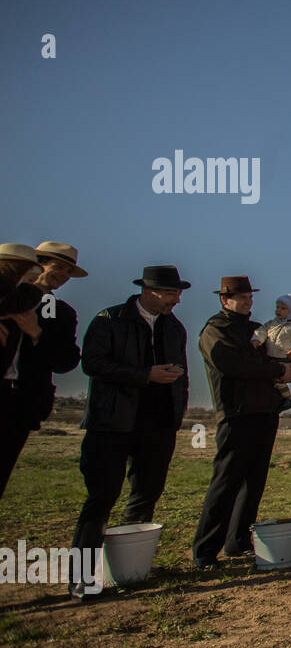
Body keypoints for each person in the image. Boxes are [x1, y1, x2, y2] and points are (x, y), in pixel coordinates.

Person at [69, 265, 190, 599]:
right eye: (170, 293)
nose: (176, 300)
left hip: (156, 425)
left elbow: (181, 374)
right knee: (101, 498)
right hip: (111, 423)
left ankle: (128, 569)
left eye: (178, 293)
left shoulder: (173, 327)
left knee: (145, 493)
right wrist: (144, 375)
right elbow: (92, 363)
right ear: (147, 291)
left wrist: (175, 416)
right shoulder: (109, 319)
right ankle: (81, 578)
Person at [192, 276, 291, 567]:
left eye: (250, 298)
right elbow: (232, 364)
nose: (248, 303)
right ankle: (205, 549)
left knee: (254, 481)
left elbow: (282, 358)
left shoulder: (257, 329)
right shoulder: (215, 330)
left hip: (265, 410)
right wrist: (275, 368)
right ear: (225, 300)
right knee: (226, 481)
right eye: (242, 298)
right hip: (236, 412)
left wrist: (287, 366)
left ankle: (237, 541)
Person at [0, 242, 84, 499]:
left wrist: (36, 333)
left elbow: (67, 361)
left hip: (21, 404)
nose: (62, 275)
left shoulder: (61, 313)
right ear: (38, 266)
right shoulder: (4, 298)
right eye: (58, 267)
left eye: (68, 272)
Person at [251, 293, 291, 413]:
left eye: (283, 308)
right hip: (270, 357)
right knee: (268, 380)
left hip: (284, 358)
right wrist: (256, 339)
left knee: (279, 381)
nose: (278, 310)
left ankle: (287, 398)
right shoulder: (271, 324)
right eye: (277, 307)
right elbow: (261, 331)